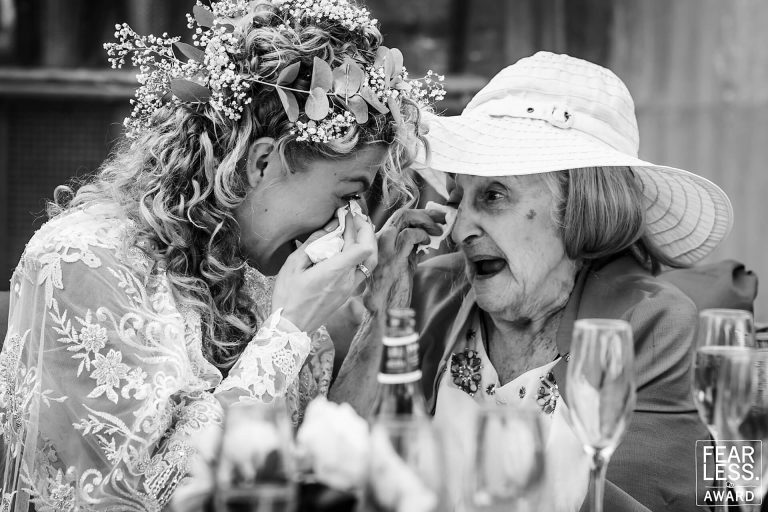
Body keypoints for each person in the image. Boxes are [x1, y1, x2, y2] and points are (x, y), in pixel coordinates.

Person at [0, 0, 445, 509]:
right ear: (261, 163)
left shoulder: (265, 287)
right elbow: (132, 499)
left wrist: (382, 314)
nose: (346, 225)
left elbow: (317, 475)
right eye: (347, 194)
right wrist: (286, 333)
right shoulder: (82, 263)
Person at [332, 52, 754, 511]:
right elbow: (336, 463)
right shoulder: (432, 288)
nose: (459, 230)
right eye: (458, 199)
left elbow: (641, 499)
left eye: (493, 197)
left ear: (576, 208)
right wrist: (382, 318)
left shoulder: (651, 324)